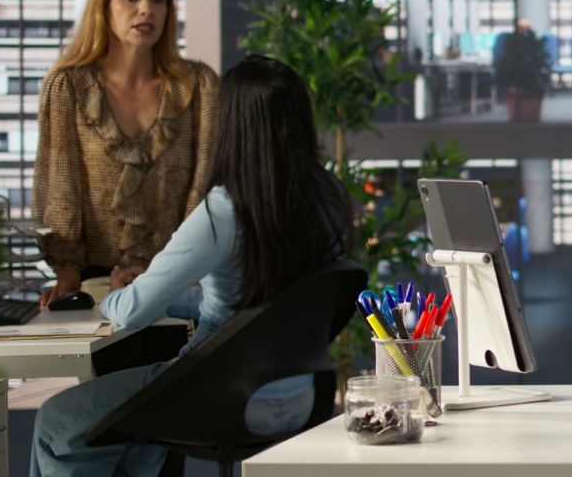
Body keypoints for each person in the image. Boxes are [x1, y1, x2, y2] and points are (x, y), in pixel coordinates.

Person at [30, 55, 355, 477]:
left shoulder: (226, 210)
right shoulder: (328, 201)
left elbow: (132, 312)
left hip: (218, 396)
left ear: (233, 125)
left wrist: (112, 295)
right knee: (127, 440)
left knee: (55, 422)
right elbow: (255, 304)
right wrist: (178, 297)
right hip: (301, 399)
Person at [33, 0, 220, 307]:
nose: (146, 9)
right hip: (93, 285)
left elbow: (207, 183)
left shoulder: (199, 87)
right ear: (104, 7)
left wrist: (184, 268)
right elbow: (60, 188)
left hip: (181, 284)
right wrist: (67, 272)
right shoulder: (69, 87)